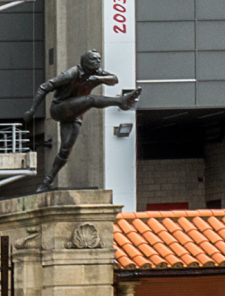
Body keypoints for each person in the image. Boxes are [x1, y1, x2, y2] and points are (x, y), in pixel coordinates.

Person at [24, 51, 141, 193]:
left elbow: (114, 79)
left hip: (75, 114)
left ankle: (46, 182)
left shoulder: (97, 72)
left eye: (99, 59)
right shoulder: (71, 73)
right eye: (93, 59)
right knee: (91, 100)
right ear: (84, 61)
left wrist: (98, 78)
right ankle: (120, 101)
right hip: (60, 108)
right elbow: (44, 87)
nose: (97, 62)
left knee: (65, 150)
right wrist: (32, 110)